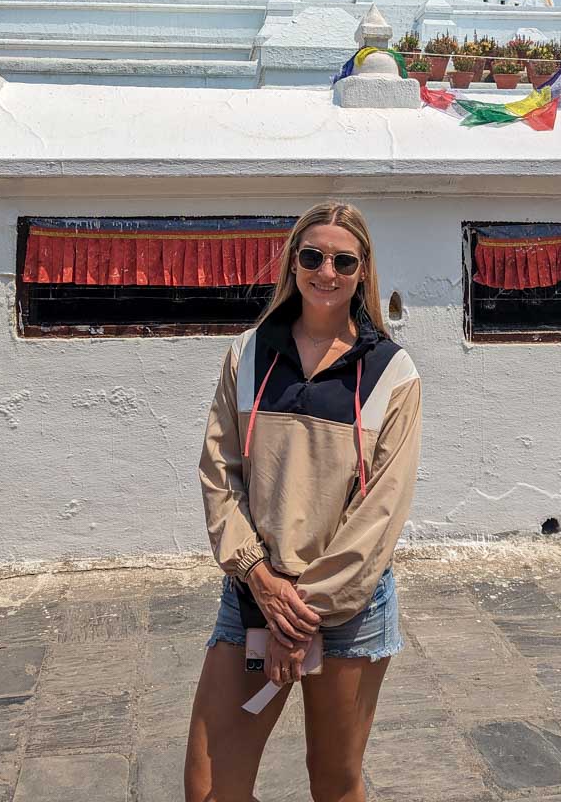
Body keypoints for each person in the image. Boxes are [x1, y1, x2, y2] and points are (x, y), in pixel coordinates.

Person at [185, 201, 423, 802]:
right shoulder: (248, 356)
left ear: (362, 271)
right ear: (294, 263)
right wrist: (260, 580)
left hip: (347, 609)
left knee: (334, 782)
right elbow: (220, 472)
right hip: (254, 593)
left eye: (344, 260)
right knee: (210, 787)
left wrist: (303, 612)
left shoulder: (392, 375)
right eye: (312, 256)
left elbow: (382, 511)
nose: (327, 271)